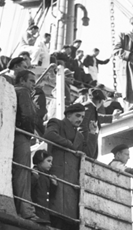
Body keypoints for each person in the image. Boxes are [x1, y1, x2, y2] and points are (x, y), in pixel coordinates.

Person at [42, 103, 92, 228]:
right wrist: (70, 145)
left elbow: (90, 155)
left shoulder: (80, 135)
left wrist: (92, 133)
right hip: (57, 174)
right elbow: (49, 135)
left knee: (69, 219)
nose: (80, 120)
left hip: (71, 180)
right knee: (56, 212)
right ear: (69, 115)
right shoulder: (56, 123)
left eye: (82, 117)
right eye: (78, 116)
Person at [12, 70, 48, 224]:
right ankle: (27, 211)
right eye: (31, 81)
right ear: (22, 80)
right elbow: (27, 116)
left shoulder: (13, 91)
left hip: (14, 135)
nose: (34, 84)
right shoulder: (23, 92)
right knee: (23, 172)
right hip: (21, 137)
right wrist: (29, 133)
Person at [79, 88, 121, 159]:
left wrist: (112, 117)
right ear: (100, 101)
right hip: (86, 145)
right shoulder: (88, 107)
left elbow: (97, 117)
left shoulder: (91, 108)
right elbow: (82, 126)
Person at [31, 150, 58, 221]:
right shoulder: (34, 174)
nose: (51, 164)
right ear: (40, 160)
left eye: (51, 162)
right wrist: (34, 177)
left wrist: (54, 184)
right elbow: (29, 188)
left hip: (44, 212)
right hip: (36, 210)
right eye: (48, 161)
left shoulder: (46, 176)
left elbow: (50, 194)